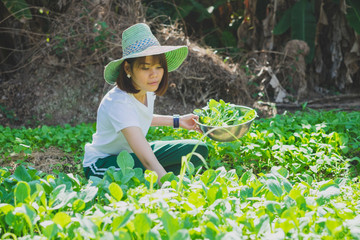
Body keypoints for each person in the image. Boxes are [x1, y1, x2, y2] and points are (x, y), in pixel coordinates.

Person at [83, 23, 208, 183]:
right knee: (147, 166)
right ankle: (156, 181)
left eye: (158, 66)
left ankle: (150, 179)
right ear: (128, 69)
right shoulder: (118, 102)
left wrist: (178, 121)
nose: (154, 74)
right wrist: (171, 190)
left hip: (131, 156)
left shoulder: (146, 90)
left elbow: (139, 117)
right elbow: (148, 160)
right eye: (145, 68)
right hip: (104, 163)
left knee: (197, 150)